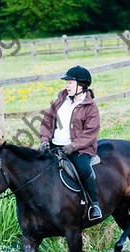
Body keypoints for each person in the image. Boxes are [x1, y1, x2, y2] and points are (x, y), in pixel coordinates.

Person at [39, 65, 103, 221]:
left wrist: (72, 146)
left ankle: (94, 204)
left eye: (70, 82)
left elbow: (90, 132)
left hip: (78, 149)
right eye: (66, 83)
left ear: (81, 85)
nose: (66, 86)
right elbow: (47, 122)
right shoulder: (60, 101)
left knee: (83, 169)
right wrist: (44, 140)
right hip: (54, 146)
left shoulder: (90, 107)